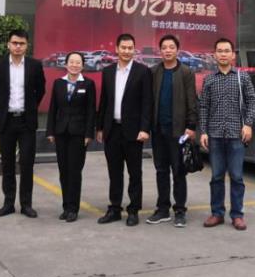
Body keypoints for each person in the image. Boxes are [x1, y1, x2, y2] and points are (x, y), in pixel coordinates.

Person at [198, 37, 255, 231]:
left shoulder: (242, 77)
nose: (223, 54)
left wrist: (248, 124)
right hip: (215, 135)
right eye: (220, 51)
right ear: (214, 55)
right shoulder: (209, 79)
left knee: (237, 177)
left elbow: (252, 102)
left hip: (236, 135)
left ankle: (237, 215)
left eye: (226, 51)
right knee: (216, 177)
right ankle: (217, 213)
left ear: (233, 55)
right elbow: (204, 107)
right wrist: (203, 131)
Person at [0, 28, 46, 218]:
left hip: (26, 122)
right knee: (7, 164)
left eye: (21, 43)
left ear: (27, 46)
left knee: (27, 163)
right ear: (8, 44)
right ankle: (8, 203)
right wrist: (3, 108)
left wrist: (30, 108)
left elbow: (41, 90)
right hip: (7, 121)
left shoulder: (35, 66)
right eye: (14, 43)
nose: (18, 47)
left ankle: (26, 204)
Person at [96, 33, 152, 226]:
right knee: (114, 172)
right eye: (124, 48)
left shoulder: (143, 71)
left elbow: (147, 103)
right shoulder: (108, 71)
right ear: (117, 49)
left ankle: (134, 210)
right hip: (112, 130)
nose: (127, 51)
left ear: (134, 50)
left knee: (135, 173)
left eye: (130, 48)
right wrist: (100, 127)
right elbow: (104, 101)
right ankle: (114, 208)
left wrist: (145, 128)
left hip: (134, 131)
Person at [147, 34, 197, 228]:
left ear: (177, 50)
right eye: (164, 47)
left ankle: (180, 210)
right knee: (161, 170)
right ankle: (162, 209)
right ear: (160, 51)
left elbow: (192, 101)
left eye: (171, 47)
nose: (167, 50)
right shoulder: (154, 72)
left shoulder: (186, 72)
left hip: (179, 132)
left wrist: (191, 126)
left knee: (178, 171)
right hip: (158, 130)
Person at [46, 52, 96, 223]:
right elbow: (53, 108)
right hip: (61, 132)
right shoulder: (58, 83)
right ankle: (66, 206)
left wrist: (89, 133)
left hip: (79, 134)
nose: (74, 65)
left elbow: (91, 110)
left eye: (78, 62)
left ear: (82, 65)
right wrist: (50, 131)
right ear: (66, 64)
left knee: (74, 171)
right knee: (63, 171)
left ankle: (73, 208)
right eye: (71, 62)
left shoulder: (88, 84)